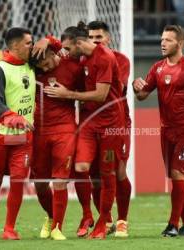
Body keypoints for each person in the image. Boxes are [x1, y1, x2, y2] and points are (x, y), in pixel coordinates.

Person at [133, 25, 184, 237]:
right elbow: (142, 95)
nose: (162, 43)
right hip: (166, 130)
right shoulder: (158, 68)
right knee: (177, 178)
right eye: (162, 39)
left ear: (180, 43)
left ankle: (172, 224)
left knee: (177, 173)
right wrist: (136, 86)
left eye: (168, 40)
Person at [44, 21, 124, 239]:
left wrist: (67, 94)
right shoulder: (80, 57)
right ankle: (88, 214)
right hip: (89, 123)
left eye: (68, 49)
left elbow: (100, 95)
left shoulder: (105, 58)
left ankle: (104, 221)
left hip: (111, 126)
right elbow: (58, 50)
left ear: (79, 43)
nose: (65, 54)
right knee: (80, 168)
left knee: (107, 174)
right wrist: (48, 41)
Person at [74, 20, 131, 238]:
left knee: (118, 171)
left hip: (118, 123)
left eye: (99, 37)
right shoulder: (84, 59)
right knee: (95, 172)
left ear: (108, 38)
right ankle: (104, 220)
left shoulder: (119, 60)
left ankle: (123, 219)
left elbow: (107, 91)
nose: (96, 41)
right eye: (92, 38)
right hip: (91, 122)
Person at [0, 27, 35, 240]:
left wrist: (50, 42)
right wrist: (13, 117)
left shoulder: (32, 65)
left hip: (23, 137)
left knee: (18, 180)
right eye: (29, 43)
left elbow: (56, 54)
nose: (32, 46)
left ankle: (10, 228)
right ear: (15, 46)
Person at [30, 43, 85, 240]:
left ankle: (57, 228)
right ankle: (52, 216)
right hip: (39, 132)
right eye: (41, 67)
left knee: (60, 180)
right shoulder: (31, 68)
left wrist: (68, 95)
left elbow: (88, 92)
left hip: (64, 129)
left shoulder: (73, 67)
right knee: (40, 184)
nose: (44, 69)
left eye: (46, 63)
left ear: (53, 53)